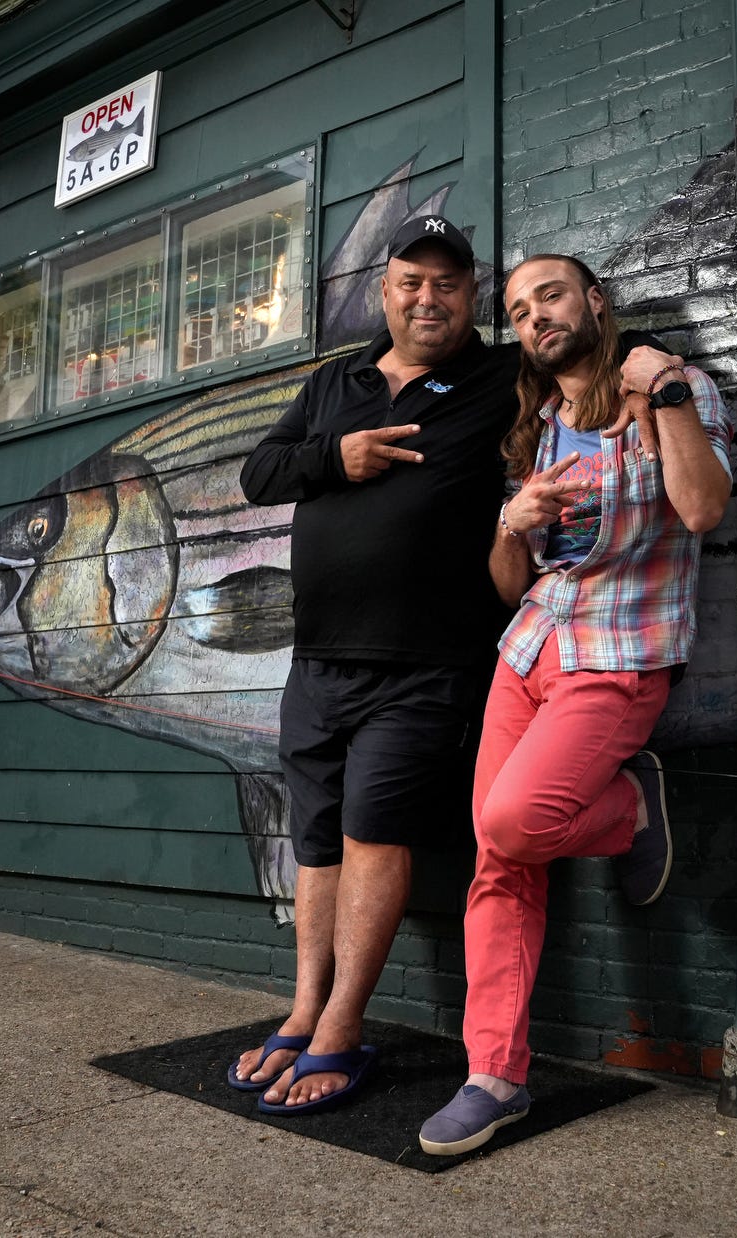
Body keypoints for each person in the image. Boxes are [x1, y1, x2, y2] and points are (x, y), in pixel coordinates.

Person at [418, 254, 734, 1155]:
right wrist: (511, 522)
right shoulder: (541, 428)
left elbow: (704, 508)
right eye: (518, 311)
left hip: (619, 654)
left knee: (514, 823)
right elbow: (511, 581)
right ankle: (495, 1077)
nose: (534, 318)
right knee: (497, 856)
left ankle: (633, 807)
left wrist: (665, 390)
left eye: (549, 296)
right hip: (528, 654)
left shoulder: (674, 389)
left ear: (595, 301)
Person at [234, 215, 518, 1114]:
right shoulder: (336, 384)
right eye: (411, 281)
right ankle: (305, 1008)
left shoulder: (501, 376)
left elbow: (594, 347)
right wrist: (338, 455)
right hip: (317, 663)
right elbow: (259, 473)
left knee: (371, 834)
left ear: (471, 295)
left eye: (447, 283)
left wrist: (652, 370)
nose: (427, 297)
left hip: (425, 664)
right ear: (386, 290)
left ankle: (342, 1031)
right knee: (314, 843)